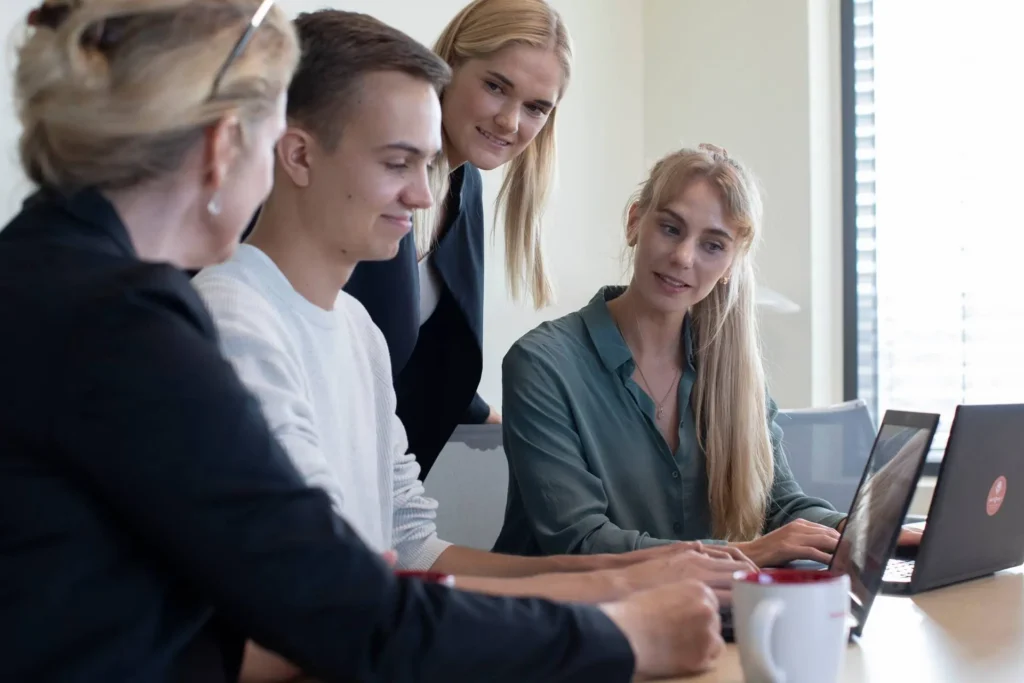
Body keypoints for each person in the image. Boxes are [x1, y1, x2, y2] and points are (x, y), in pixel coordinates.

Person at [0, 2, 728, 681]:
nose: (422, 194)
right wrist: (623, 633)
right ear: (235, 144)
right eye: (396, 163)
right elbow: (335, 611)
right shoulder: (132, 322)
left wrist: (615, 581)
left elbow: (195, 617)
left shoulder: (56, 278)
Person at [494, 145, 853, 568]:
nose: (683, 257)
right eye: (670, 228)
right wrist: (747, 553)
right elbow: (580, 542)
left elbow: (783, 505)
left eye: (713, 246)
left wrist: (861, 529)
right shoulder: (542, 364)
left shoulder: (730, 374)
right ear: (634, 222)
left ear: (731, 266)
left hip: (694, 605)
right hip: (563, 605)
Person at [341, 0, 573, 477]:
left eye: (535, 108)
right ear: (448, 64)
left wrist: (485, 413)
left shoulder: (466, 188)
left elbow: (434, 342)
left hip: (373, 473)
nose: (510, 122)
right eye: (496, 87)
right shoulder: (367, 168)